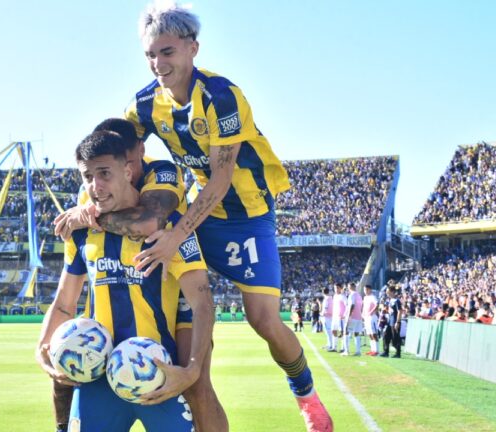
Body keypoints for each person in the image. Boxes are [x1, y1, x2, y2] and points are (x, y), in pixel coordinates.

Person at [126, 4, 332, 430]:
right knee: (181, 306)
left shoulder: (222, 97)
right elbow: (114, 147)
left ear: (192, 48)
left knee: (262, 319)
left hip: (247, 215)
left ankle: (306, 395)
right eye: (150, 55)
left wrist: (175, 235)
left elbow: (221, 181)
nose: (158, 64)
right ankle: (191, 384)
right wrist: (90, 198)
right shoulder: (145, 104)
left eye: (166, 52)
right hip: (200, 213)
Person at [52, 119, 227, 432]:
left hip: (156, 364)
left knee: (198, 385)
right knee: (62, 370)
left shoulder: (166, 189)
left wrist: (191, 368)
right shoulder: (82, 227)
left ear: (130, 165)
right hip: (100, 369)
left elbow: (149, 222)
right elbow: (64, 301)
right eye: (89, 176)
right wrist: (43, 349)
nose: (95, 184)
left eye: (105, 173)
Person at [380, 285, 402, 358]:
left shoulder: (397, 301)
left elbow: (399, 311)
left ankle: (398, 353)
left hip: (395, 322)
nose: (387, 293)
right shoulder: (390, 300)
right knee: (386, 336)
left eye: (388, 292)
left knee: (395, 338)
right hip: (390, 322)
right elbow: (391, 311)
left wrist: (398, 322)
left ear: (392, 292)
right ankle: (386, 352)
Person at [361, 285, 379, 356]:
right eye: (364, 290)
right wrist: (362, 314)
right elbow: (364, 307)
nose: (365, 291)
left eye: (366, 289)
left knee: (374, 333)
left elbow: (377, 304)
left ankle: (377, 350)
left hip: (372, 317)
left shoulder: (373, 297)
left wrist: (371, 311)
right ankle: (372, 350)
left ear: (370, 290)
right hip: (366, 318)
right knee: (369, 334)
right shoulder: (365, 297)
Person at [330, 284, 347, 353]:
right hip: (335, 317)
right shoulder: (334, 296)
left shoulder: (343, 296)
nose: (336, 289)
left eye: (337, 288)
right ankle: (334, 347)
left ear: (341, 288)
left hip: (341, 317)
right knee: (333, 331)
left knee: (342, 332)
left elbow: (347, 306)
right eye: (335, 288)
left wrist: (344, 315)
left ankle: (343, 347)